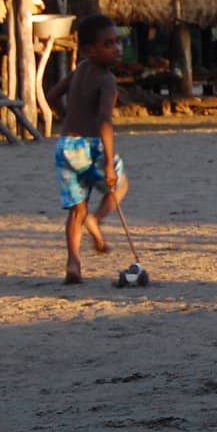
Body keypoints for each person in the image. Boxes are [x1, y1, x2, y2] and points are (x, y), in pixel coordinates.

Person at [45, 14, 128, 285]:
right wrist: (107, 163)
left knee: (75, 209)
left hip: (65, 146)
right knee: (121, 186)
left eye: (118, 42)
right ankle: (97, 219)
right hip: (91, 146)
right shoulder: (107, 80)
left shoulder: (80, 68)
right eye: (108, 44)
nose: (117, 49)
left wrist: (66, 117)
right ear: (90, 49)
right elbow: (105, 120)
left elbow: (52, 95)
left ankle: (74, 263)